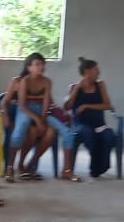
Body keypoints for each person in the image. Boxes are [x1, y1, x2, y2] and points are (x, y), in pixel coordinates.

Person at [8, 53, 78, 182]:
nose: (41, 67)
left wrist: (43, 118)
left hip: (42, 111)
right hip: (26, 110)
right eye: (37, 64)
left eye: (42, 64)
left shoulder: (47, 81)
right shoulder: (24, 81)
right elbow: (22, 105)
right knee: (19, 131)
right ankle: (10, 167)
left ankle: (66, 170)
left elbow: (46, 104)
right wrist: (37, 120)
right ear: (29, 67)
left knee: (68, 133)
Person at [65, 57, 115, 179]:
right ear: (87, 72)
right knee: (88, 133)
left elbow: (108, 105)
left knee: (110, 136)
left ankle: (99, 166)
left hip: (99, 124)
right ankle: (96, 166)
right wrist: (77, 89)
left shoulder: (101, 85)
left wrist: (86, 105)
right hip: (81, 125)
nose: (98, 72)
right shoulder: (73, 87)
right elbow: (67, 106)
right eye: (96, 70)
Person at [1, 66, 45, 178]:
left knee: (33, 132)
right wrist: (5, 116)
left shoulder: (42, 83)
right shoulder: (17, 81)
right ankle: (9, 166)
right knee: (14, 132)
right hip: (14, 113)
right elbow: (4, 102)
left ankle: (22, 165)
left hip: (31, 114)